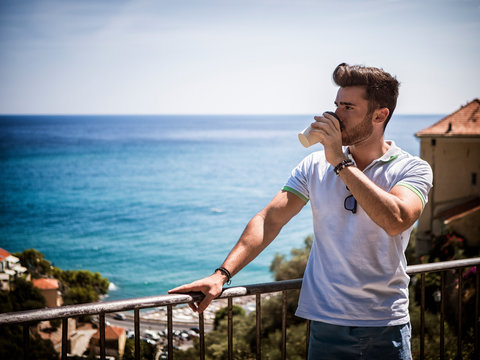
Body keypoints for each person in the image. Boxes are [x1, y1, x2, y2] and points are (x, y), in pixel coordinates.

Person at [169, 63, 433, 359]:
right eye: (336, 105)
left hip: (383, 326)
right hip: (325, 324)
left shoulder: (411, 169)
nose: (334, 116)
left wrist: (340, 163)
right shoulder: (314, 166)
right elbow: (270, 219)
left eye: (347, 107)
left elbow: (396, 220)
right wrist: (221, 275)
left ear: (379, 115)